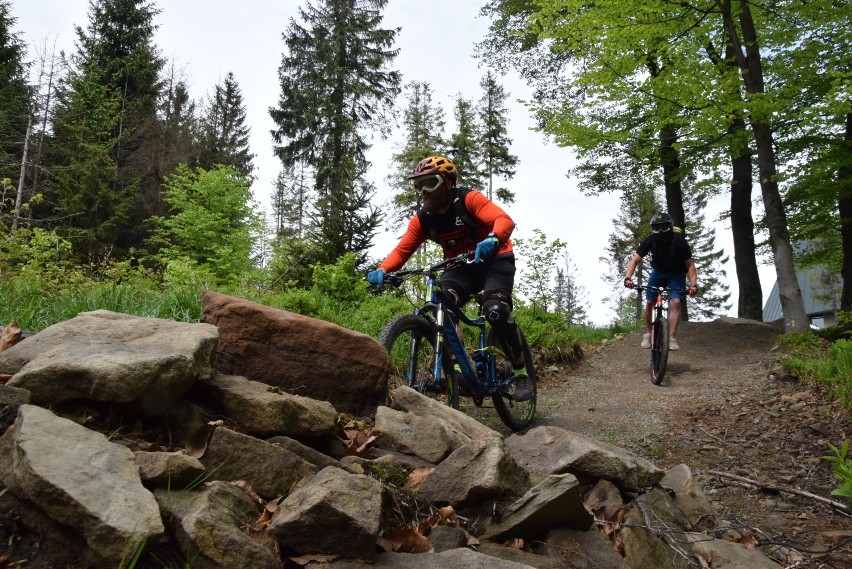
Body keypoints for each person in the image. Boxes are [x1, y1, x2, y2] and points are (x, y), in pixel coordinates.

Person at [367, 156, 532, 401]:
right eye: (418, 185)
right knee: (444, 305)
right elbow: (403, 250)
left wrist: (494, 238)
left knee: (495, 310)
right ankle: (456, 370)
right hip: (459, 267)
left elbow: (503, 220)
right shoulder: (423, 218)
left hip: (495, 260)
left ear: (447, 183)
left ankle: (521, 373)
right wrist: (383, 269)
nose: (423, 192)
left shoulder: (468, 199)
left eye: (429, 183)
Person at [623, 212, 698, 351]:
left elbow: (690, 264)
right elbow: (635, 259)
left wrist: (693, 284)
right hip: (658, 272)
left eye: (664, 227)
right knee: (650, 301)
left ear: (670, 226)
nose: (660, 231)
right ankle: (647, 333)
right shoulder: (651, 240)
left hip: (677, 274)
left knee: (675, 302)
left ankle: (671, 338)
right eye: (657, 228)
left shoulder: (679, 241)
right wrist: (628, 277)